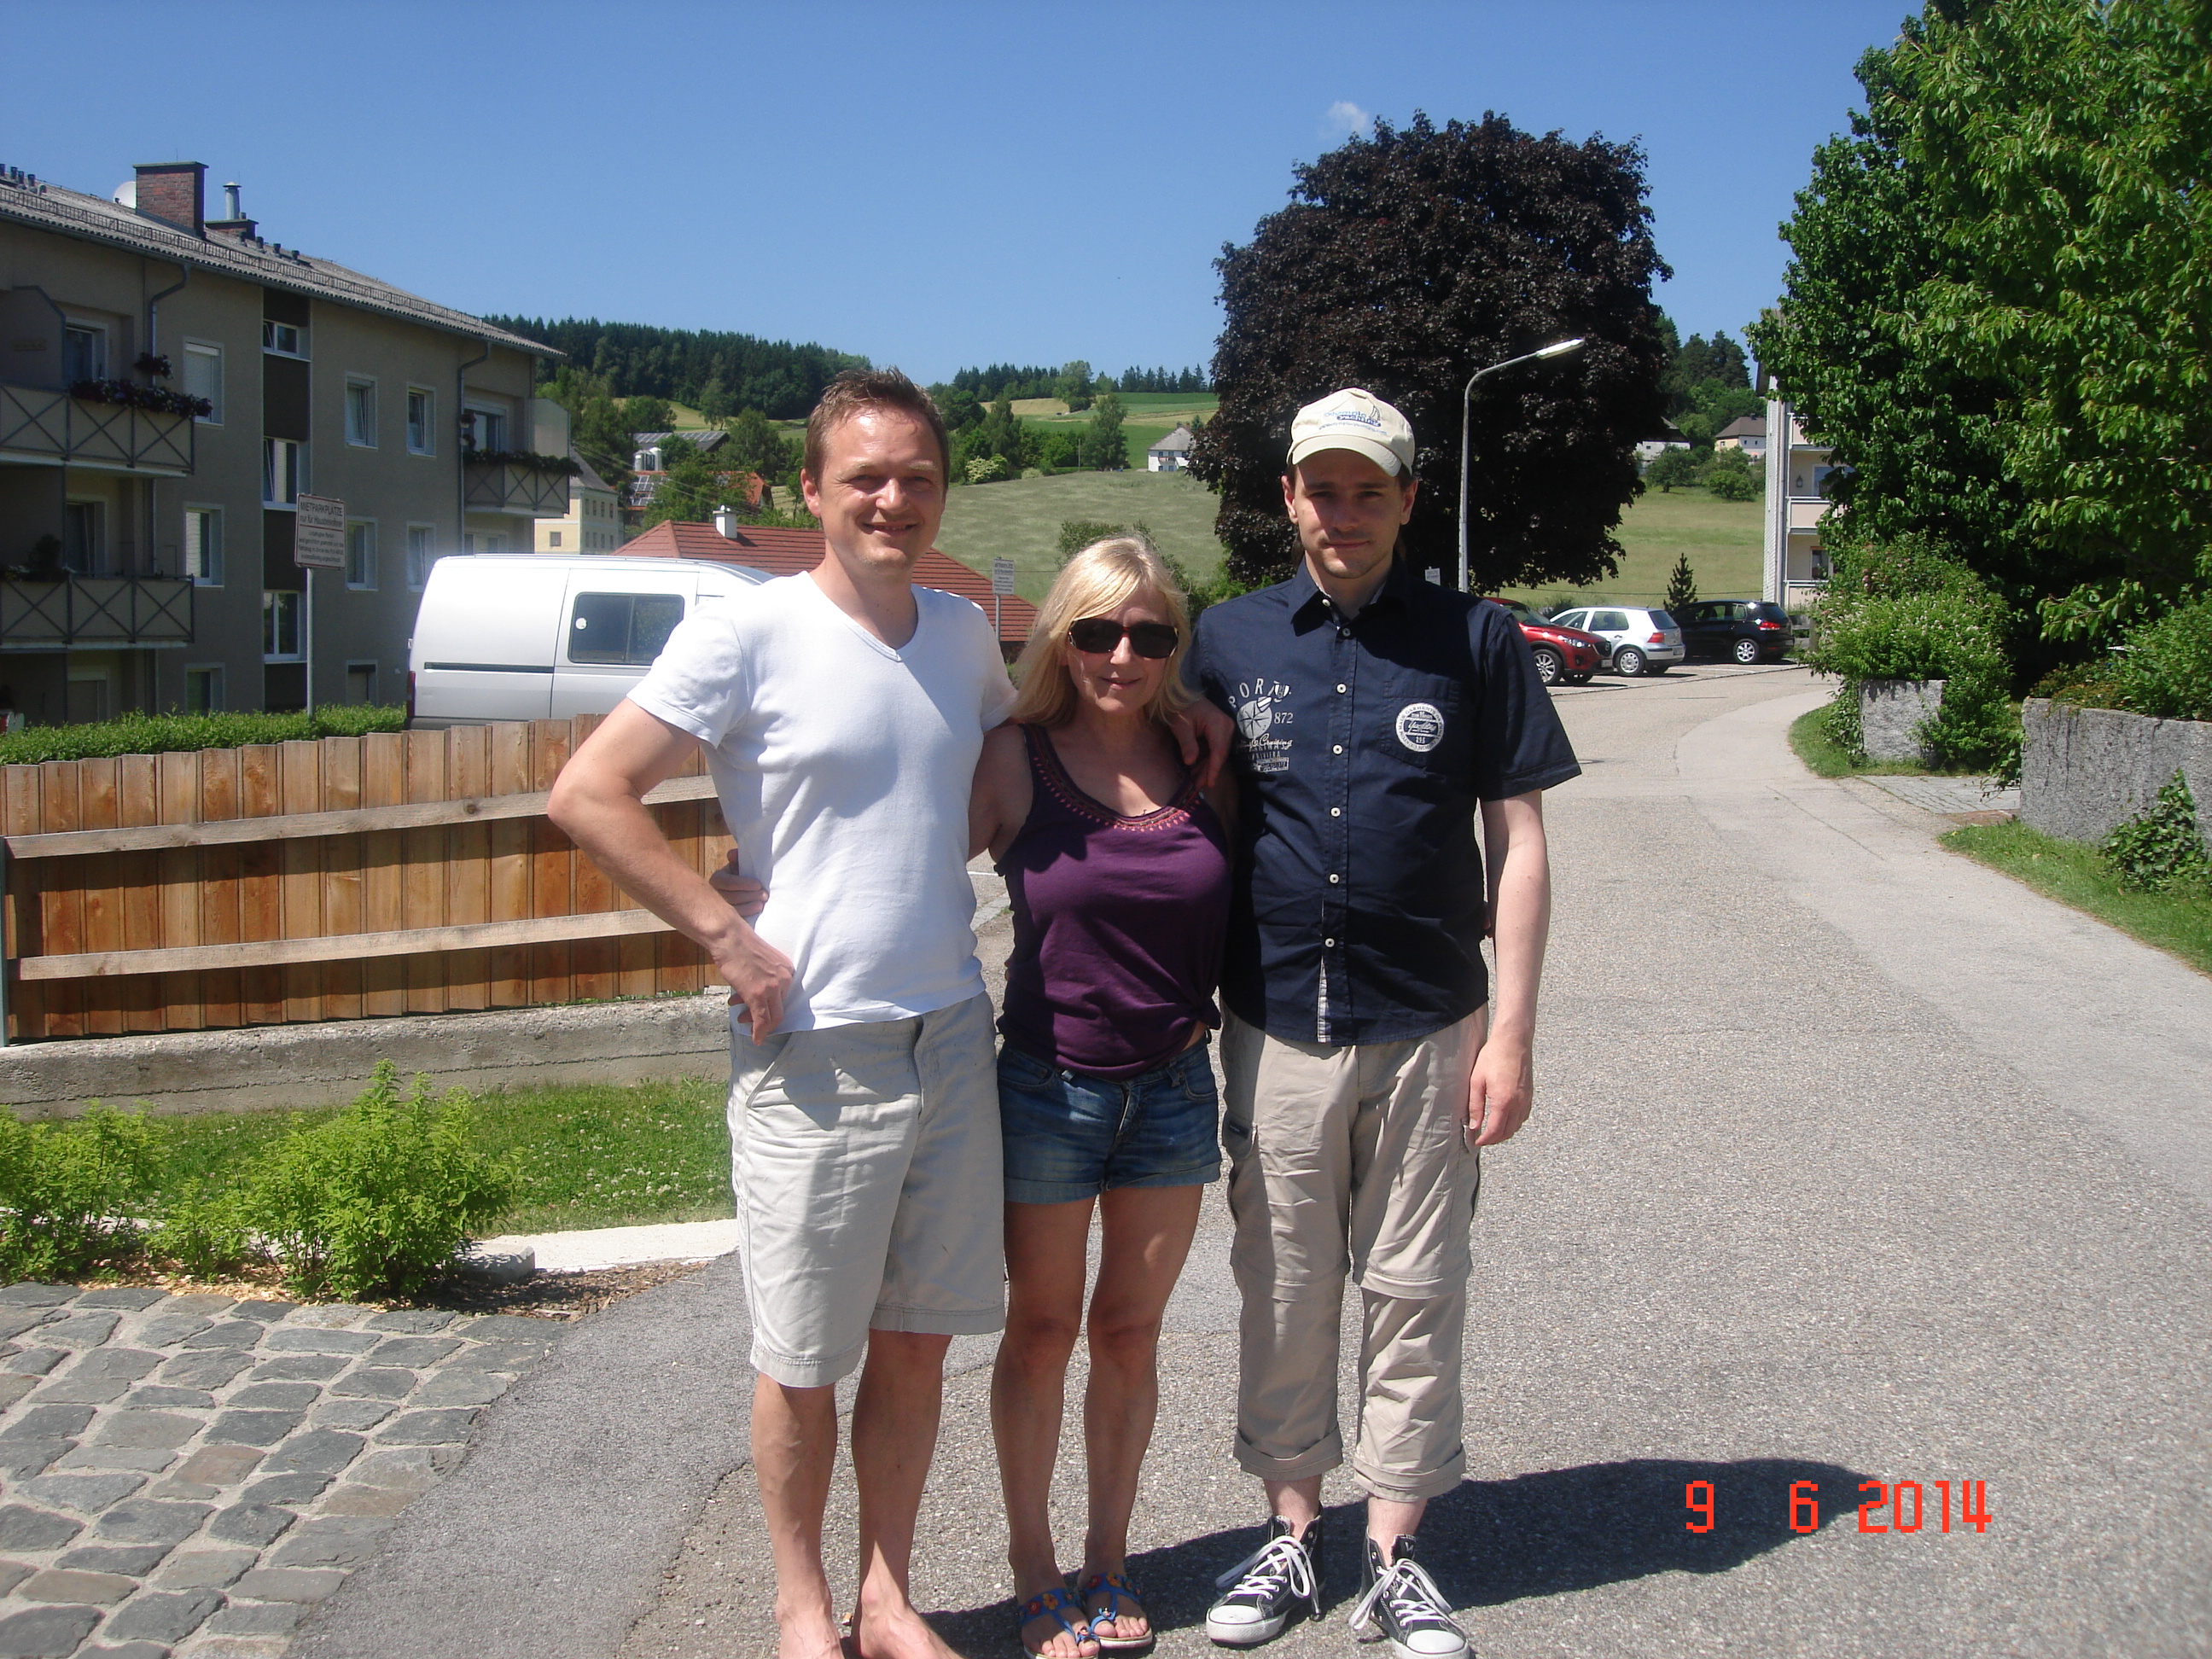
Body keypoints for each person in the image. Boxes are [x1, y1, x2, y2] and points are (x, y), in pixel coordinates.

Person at [550, 369, 1013, 1659]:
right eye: (865, 477)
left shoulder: (965, 633)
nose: (893, 500)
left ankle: (888, 1598)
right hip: (811, 1050)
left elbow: (1006, 756)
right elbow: (589, 792)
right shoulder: (746, 633)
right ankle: (802, 1608)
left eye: (917, 478)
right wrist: (724, 932)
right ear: (811, 490)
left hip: (950, 1034)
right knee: (804, 1356)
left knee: (915, 1346)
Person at [1186, 389, 1580, 1658]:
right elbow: (1183, 827)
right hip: (1276, 1023)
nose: (1342, 513)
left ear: (1409, 500)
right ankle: (1293, 1536)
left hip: (1429, 1025)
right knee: (1284, 1289)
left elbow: (1519, 843)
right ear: (1289, 496)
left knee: (1417, 1289)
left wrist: (1511, 1036)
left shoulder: (1476, 639)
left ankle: (1395, 1557)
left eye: (1369, 491)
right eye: (1322, 489)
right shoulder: (1226, 641)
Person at [969, 538, 1235, 1659]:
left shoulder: (1205, 758)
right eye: (1097, 631)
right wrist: (762, 896)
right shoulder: (1013, 759)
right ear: (1060, 638)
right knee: (1040, 1332)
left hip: (1174, 1090)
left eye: (1148, 634)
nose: (1122, 655)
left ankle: (1108, 1558)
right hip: (1047, 1088)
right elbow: (902, 867)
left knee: (1128, 1333)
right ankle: (1035, 1570)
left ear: (1174, 646)